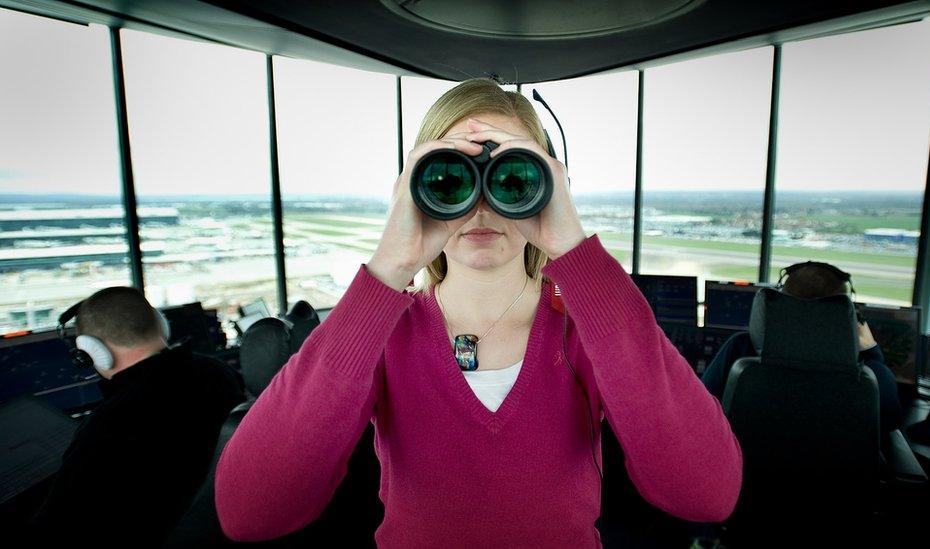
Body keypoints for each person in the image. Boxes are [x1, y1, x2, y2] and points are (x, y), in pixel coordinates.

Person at [214, 78, 742, 547]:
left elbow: (705, 494)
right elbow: (250, 512)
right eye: (449, 179)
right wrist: (388, 269)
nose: (483, 205)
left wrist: (576, 253)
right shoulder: (380, 334)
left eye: (512, 178)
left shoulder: (586, 329)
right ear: (412, 191)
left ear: (549, 186)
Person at [29, 287, 246, 547]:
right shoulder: (218, 372)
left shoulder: (111, 424)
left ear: (90, 350)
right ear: (161, 325)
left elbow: (56, 528)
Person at [700, 262, 903, 432]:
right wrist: (871, 351)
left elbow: (701, 407)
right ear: (846, 313)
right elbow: (889, 423)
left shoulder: (740, 348)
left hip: (748, 477)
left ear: (780, 305)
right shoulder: (870, 372)